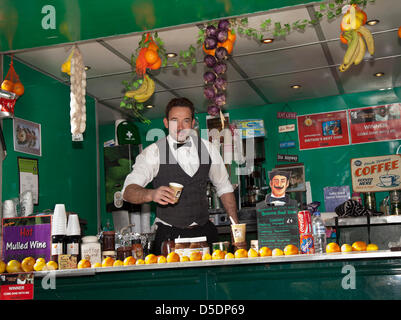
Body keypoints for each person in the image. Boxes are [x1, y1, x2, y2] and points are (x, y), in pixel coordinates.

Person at [122, 97, 241, 255]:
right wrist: (151, 194)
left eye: (185, 121)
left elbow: (224, 187)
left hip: (205, 233)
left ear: (192, 124)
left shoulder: (208, 149)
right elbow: (127, 191)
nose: (180, 127)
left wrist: (236, 228)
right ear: (165, 123)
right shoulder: (154, 152)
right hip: (169, 237)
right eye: (174, 120)